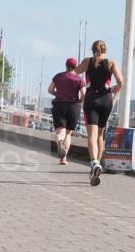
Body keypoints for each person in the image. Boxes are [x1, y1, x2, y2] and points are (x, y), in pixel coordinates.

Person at [74, 40, 123, 186]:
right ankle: (97, 165)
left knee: (92, 135)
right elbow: (121, 81)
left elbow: (74, 73)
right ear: (105, 50)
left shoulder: (87, 62)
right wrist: (114, 89)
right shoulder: (111, 63)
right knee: (100, 136)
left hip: (91, 99)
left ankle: (94, 163)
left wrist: (81, 85)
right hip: (106, 100)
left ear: (93, 49)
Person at [48, 57, 85, 166]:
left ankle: (59, 141)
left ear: (65, 65)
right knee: (68, 133)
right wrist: (80, 101)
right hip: (73, 106)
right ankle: (63, 159)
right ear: (75, 66)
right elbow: (83, 94)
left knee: (60, 132)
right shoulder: (79, 80)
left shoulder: (58, 76)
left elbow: (50, 89)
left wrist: (57, 94)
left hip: (59, 104)